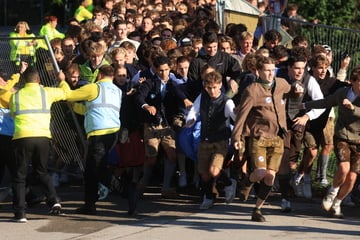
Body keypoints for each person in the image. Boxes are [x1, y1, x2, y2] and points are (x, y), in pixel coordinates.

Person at [232, 56, 293, 222]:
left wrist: (298, 91)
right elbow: (241, 115)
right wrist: (236, 136)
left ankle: (257, 209)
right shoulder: (253, 90)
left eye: (272, 70)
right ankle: (246, 182)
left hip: (278, 137)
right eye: (266, 70)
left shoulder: (281, 83)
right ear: (258, 71)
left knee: (270, 176)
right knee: (260, 172)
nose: (270, 74)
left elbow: (292, 91)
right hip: (259, 137)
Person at [9, 66, 69, 222]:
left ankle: (20, 213)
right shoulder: (46, 92)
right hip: (42, 137)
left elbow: (13, 113)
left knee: (19, 176)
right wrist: (62, 81)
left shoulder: (15, 95)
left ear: (24, 80)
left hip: (22, 137)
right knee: (42, 171)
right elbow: (65, 93)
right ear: (38, 79)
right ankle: (54, 201)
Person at [300, 66, 360, 218]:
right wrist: (306, 105)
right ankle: (331, 193)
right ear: (353, 81)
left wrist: (353, 108)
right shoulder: (342, 93)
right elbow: (326, 102)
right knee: (344, 169)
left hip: (358, 140)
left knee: (352, 177)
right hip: (343, 136)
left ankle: (338, 203)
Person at [61, 65, 122, 215]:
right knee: (99, 167)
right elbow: (92, 108)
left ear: (99, 75)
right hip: (112, 133)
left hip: (99, 134)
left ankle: (120, 191)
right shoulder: (117, 91)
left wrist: (62, 81)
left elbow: (68, 94)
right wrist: (75, 107)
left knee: (92, 171)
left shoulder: (94, 88)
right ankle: (97, 199)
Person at [185, 70, 237, 209]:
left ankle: (229, 183)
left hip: (221, 141)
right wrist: (190, 120)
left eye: (214, 87)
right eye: (209, 88)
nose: (212, 91)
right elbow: (193, 111)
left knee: (214, 170)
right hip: (205, 140)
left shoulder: (227, 101)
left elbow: (235, 116)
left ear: (220, 85)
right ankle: (208, 197)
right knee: (204, 173)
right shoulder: (202, 97)